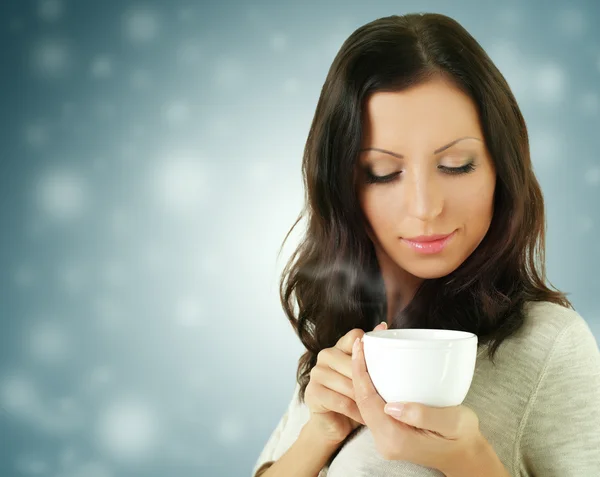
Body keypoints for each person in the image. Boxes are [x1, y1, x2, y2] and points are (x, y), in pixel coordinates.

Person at [252, 12, 600, 477]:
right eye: (383, 172)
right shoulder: (344, 334)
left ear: (502, 168)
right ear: (342, 185)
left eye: (456, 165)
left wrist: (469, 461)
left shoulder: (548, 345)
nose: (425, 207)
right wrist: (321, 432)